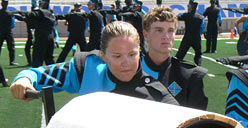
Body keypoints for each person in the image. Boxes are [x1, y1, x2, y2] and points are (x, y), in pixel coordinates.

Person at [10, 21, 178, 107]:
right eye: (117, 56)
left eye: (132, 54)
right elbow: (37, 74)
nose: (126, 63)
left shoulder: (156, 93)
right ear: (103, 56)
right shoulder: (86, 68)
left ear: (140, 51)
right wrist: (23, 80)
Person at [142, 6, 208, 110]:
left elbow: (198, 122)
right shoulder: (131, 71)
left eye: (170, 30)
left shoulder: (189, 76)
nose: (166, 36)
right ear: (146, 34)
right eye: (159, 30)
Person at [17, 0, 56, 67]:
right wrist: (24, 18)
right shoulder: (49, 13)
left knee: (37, 59)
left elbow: (33, 15)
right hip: (50, 37)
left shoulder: (41, 12)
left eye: (41, 3)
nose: (39, 4)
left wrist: (23, 13)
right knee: (49, 60)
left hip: (41, 38)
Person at [175, 1, 204, 66]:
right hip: (197, 38)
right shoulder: (200, 17)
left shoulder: (186, 15)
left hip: (187, 37)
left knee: (180, 53)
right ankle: (198, 66)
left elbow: (177, 17)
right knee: (198, 54)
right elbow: (202, 27)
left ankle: (175, 66)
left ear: (191, 7)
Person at [0, 0, 18, 65]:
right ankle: (12, 61)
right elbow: (13, 21)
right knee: (11, 46)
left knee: (11, 46)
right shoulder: (9, 12)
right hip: (8, 31)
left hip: (2, 31)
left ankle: (12, 61)